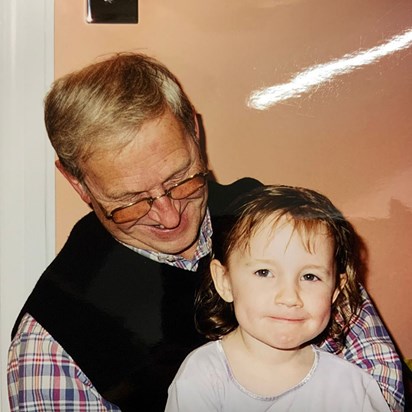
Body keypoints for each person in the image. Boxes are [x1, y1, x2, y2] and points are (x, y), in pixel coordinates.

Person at [7, 53, 404, 411]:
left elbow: (381, 375)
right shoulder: (55, 338)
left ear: (195, 132)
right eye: (130, 201)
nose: (168, 216)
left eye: (181, 179)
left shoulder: (284, 224)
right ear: (78, 184)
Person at [165, 185, 391, 412]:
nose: (289, 297)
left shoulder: (352, 387)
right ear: (225, 281)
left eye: (310, 276)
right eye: (264, 272)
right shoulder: (202, 378)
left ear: (335, 291)